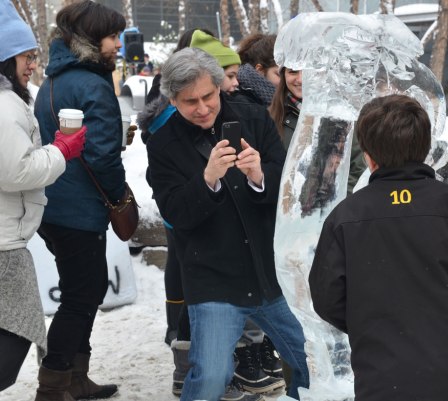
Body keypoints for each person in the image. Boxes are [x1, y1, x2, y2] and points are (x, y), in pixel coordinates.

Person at [309, 94, 448, 401]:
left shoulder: (345, 218)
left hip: (382, 378)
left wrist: (372, 331)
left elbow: (327, 297)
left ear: (368, 155)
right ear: (425, 148)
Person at [146, 47, 309, 401]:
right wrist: (208, 180)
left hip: (270, 273)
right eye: (190, 101)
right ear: (173, 100)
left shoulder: (253, 117)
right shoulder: (163, 144)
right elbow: (175, 213)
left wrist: (259, 175)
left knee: (311, 360)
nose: (203, 108)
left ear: (219, 86)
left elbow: (289, 185)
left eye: (208, 95)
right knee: (211, 376)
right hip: (214, 278)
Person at [33, 1, 128, 399]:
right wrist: (119, 197)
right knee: (79, 297)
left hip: (51, 207)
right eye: (112, 36)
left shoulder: (53, 81)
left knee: (82, 292)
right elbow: (102, 155)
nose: (118, 44)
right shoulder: (92, 83)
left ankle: (76, 378)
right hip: (80, 210)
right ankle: (54, 385)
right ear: (91, 39)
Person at [0, 1, 86, 392]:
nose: (32, 65)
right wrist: (62, 150)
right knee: (11, 346)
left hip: (7, 238)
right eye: (26, 57)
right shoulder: (3, 106)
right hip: (4, 244)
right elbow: (16, 171)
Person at [269, 67, 365, 194]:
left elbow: (358, 167)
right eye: (293, 71)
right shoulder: (270, 117)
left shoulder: (343, 115)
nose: (301, 79)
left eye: (310, 72)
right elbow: (269, 171)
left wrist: (333, 204)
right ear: (283, 75)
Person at [236, 33, 278, 105]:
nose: (286, 79)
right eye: (279, 74)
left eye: (291, 72)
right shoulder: (243, 104)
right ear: (260, 70)